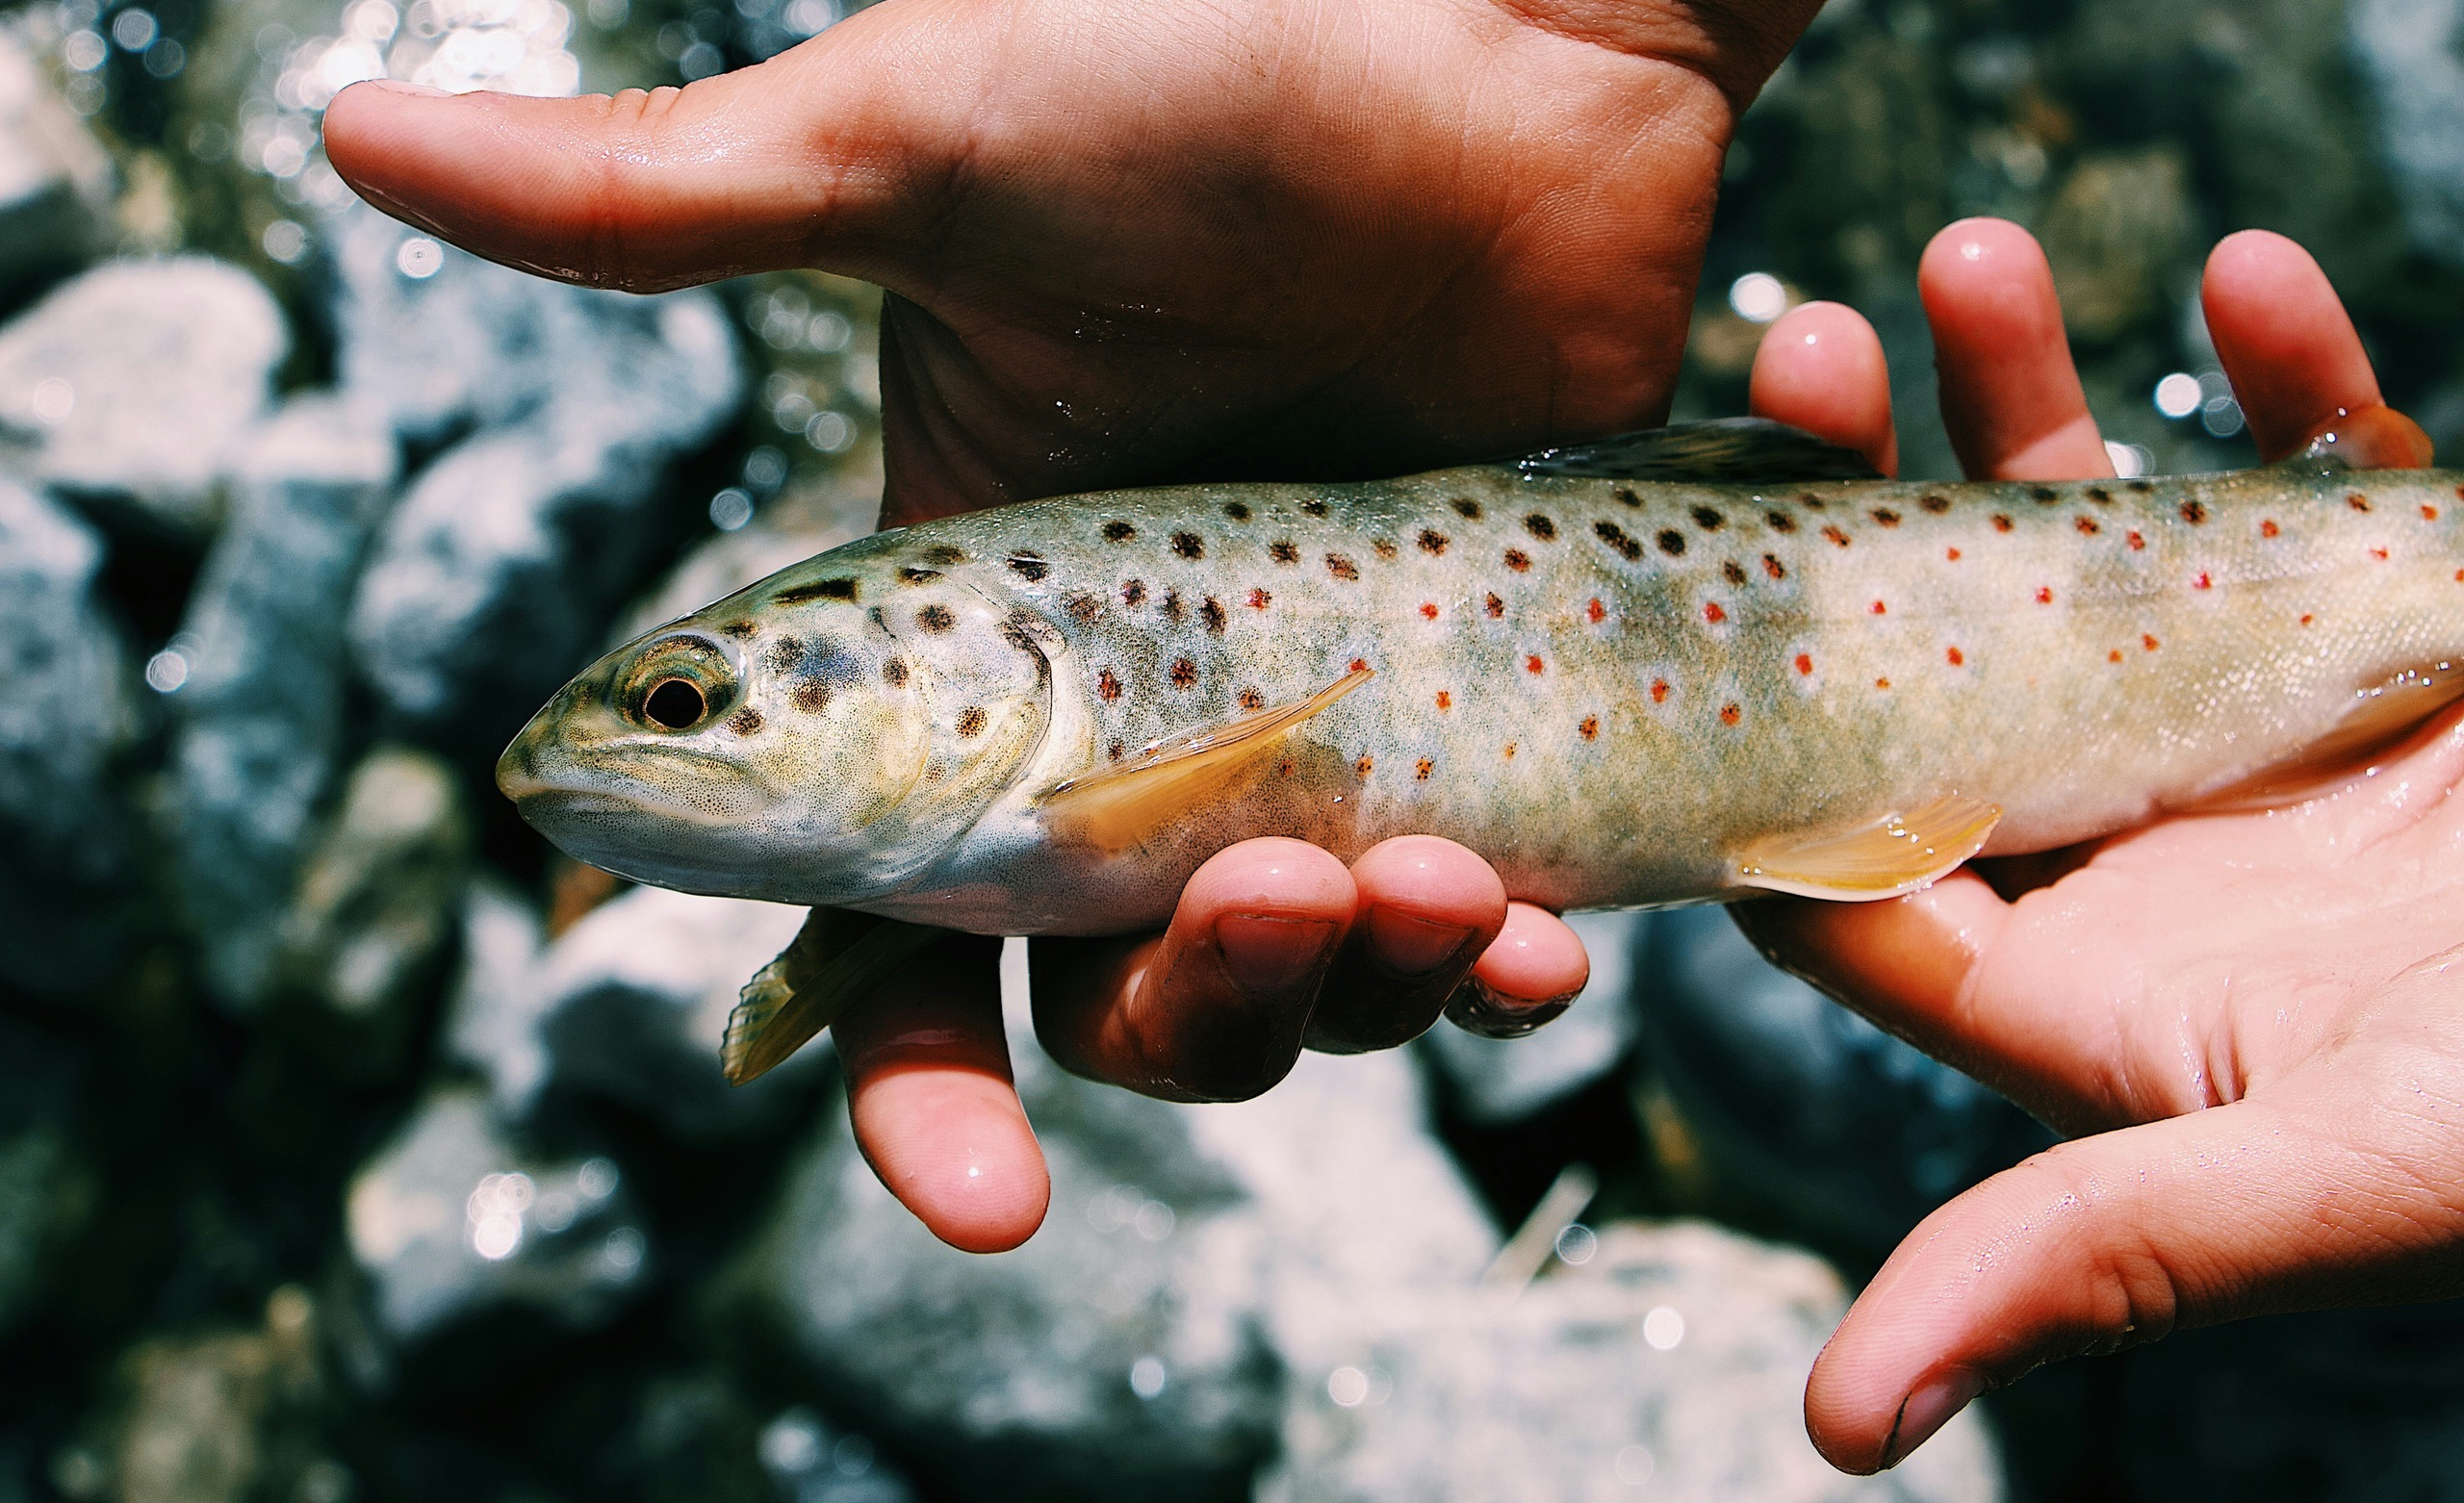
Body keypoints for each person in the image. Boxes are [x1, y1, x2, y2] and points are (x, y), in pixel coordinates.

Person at [322, 0, 2464, 1471]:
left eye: (687, 708)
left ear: (966, 672)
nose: (618, 754)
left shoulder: (1037, 781)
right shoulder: (955, 818)